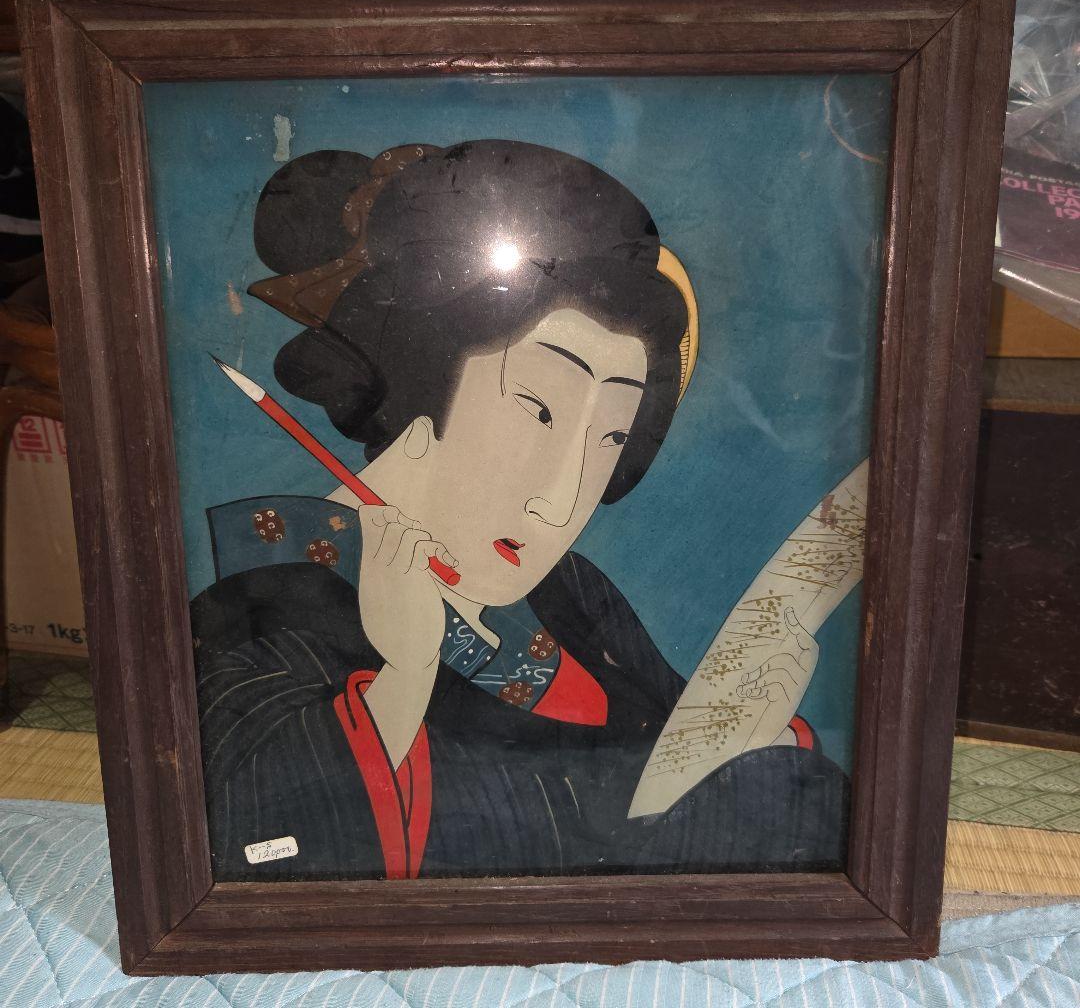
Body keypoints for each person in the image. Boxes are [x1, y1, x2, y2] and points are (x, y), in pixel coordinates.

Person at [192, 139, 848, 881]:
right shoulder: (261, 617)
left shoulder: (573, 597)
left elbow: (665, 806)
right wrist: (405, 679)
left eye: (610, 438)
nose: (561, 501)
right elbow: (261, 852)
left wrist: (737, 734)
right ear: (413, 387)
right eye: (537, 409)